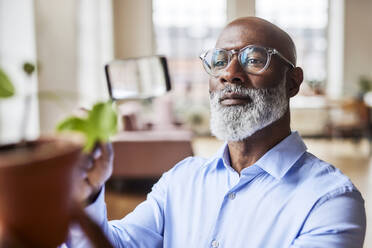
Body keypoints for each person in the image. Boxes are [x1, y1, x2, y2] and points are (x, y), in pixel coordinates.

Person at [66, 17, 366, 247]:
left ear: (293, 82)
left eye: (254, 59)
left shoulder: (330, 201)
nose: (229, 73)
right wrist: (88, 194)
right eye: (220, 60)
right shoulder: (181, 180)